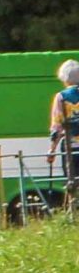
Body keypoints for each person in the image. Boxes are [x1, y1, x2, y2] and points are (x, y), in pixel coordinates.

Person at [50, 61, 79, 194]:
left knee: (72, 183)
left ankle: (74, 204)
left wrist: (52, 150)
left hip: (71, 147)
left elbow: (57, 125)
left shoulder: (61, 97)